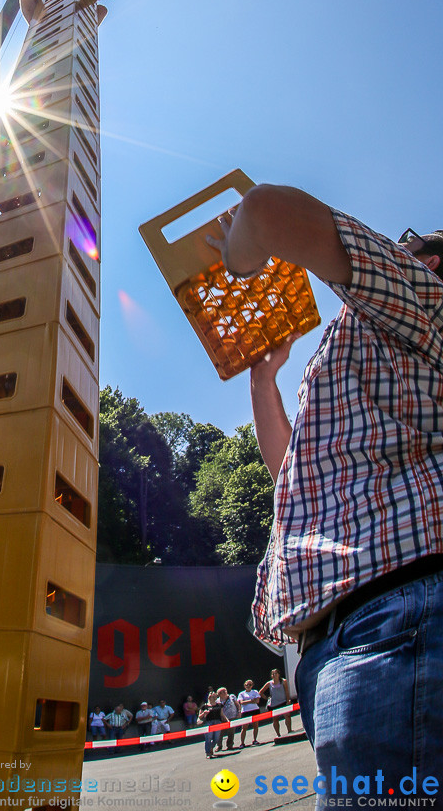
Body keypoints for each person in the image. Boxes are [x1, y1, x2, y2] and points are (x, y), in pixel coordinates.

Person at [207, 184, 443, 783]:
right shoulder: (369, 356)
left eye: (405, 244)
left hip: (397, 620)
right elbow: (297, 475)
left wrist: (240, 256)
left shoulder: (425, 297)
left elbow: (265, 211)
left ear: (428, 261)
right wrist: (265, 384)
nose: (396, 247)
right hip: (362, 633)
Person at [259, 669, 291, 737]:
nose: (274, 675)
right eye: (273, 674)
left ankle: (289, 730)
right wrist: (266, 698)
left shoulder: (283, 681)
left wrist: (288, 700)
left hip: (283, 702)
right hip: (274, 704)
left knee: (287, 716)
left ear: (278, 674)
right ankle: (278, 734)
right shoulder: (269, 683)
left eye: (275, 673)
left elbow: (287, 691)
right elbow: (260, 692)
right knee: (275, 719)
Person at [237, 679, 260, 747]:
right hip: (245, 712)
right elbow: (241, 702)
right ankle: (242, 743)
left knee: (255, 725)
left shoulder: (255, 692)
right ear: (244, 686)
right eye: (247, 685)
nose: (248, 686)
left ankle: (255, 740)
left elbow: (257, 701)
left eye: (250, 685)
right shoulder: (241, 693)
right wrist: (251, 701)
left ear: (252, 685)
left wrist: (246, 701)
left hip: (255, 710)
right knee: (244, 727)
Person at [199, 691, 222, 758]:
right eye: (211, 695)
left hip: (217, 722)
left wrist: (227, 721)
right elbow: (200, 717)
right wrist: (204, 713)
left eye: (214, 695)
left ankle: (211, 747)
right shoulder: (204, 706)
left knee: (216, 738)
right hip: (208, 722)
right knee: (208, 738)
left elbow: (222, 715)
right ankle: (208, 753)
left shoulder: (219, 705)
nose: (212, 696)